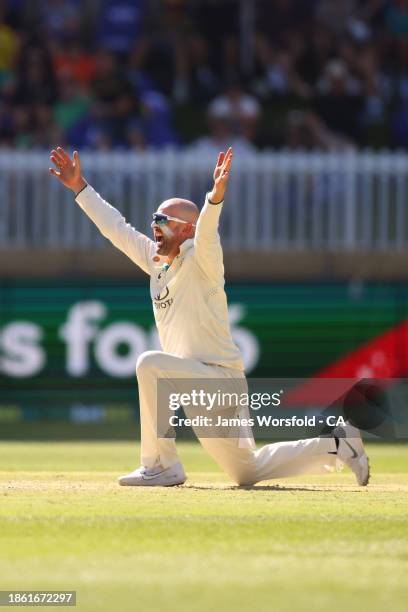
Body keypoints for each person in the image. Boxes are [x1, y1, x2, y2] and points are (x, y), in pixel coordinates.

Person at [49, 145, 370, 488]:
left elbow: (208, 234)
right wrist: (80, 188)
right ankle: (339, 443)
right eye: (153, 219)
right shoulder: (156, 262)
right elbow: (116, 228)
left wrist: (213, 200)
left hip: (219, 380)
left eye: (162, 220)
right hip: (195, 387)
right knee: (246, 472)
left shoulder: (203, 262)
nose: (153, 226)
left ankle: (160, 465)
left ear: (186, 229)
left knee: (148, 364)